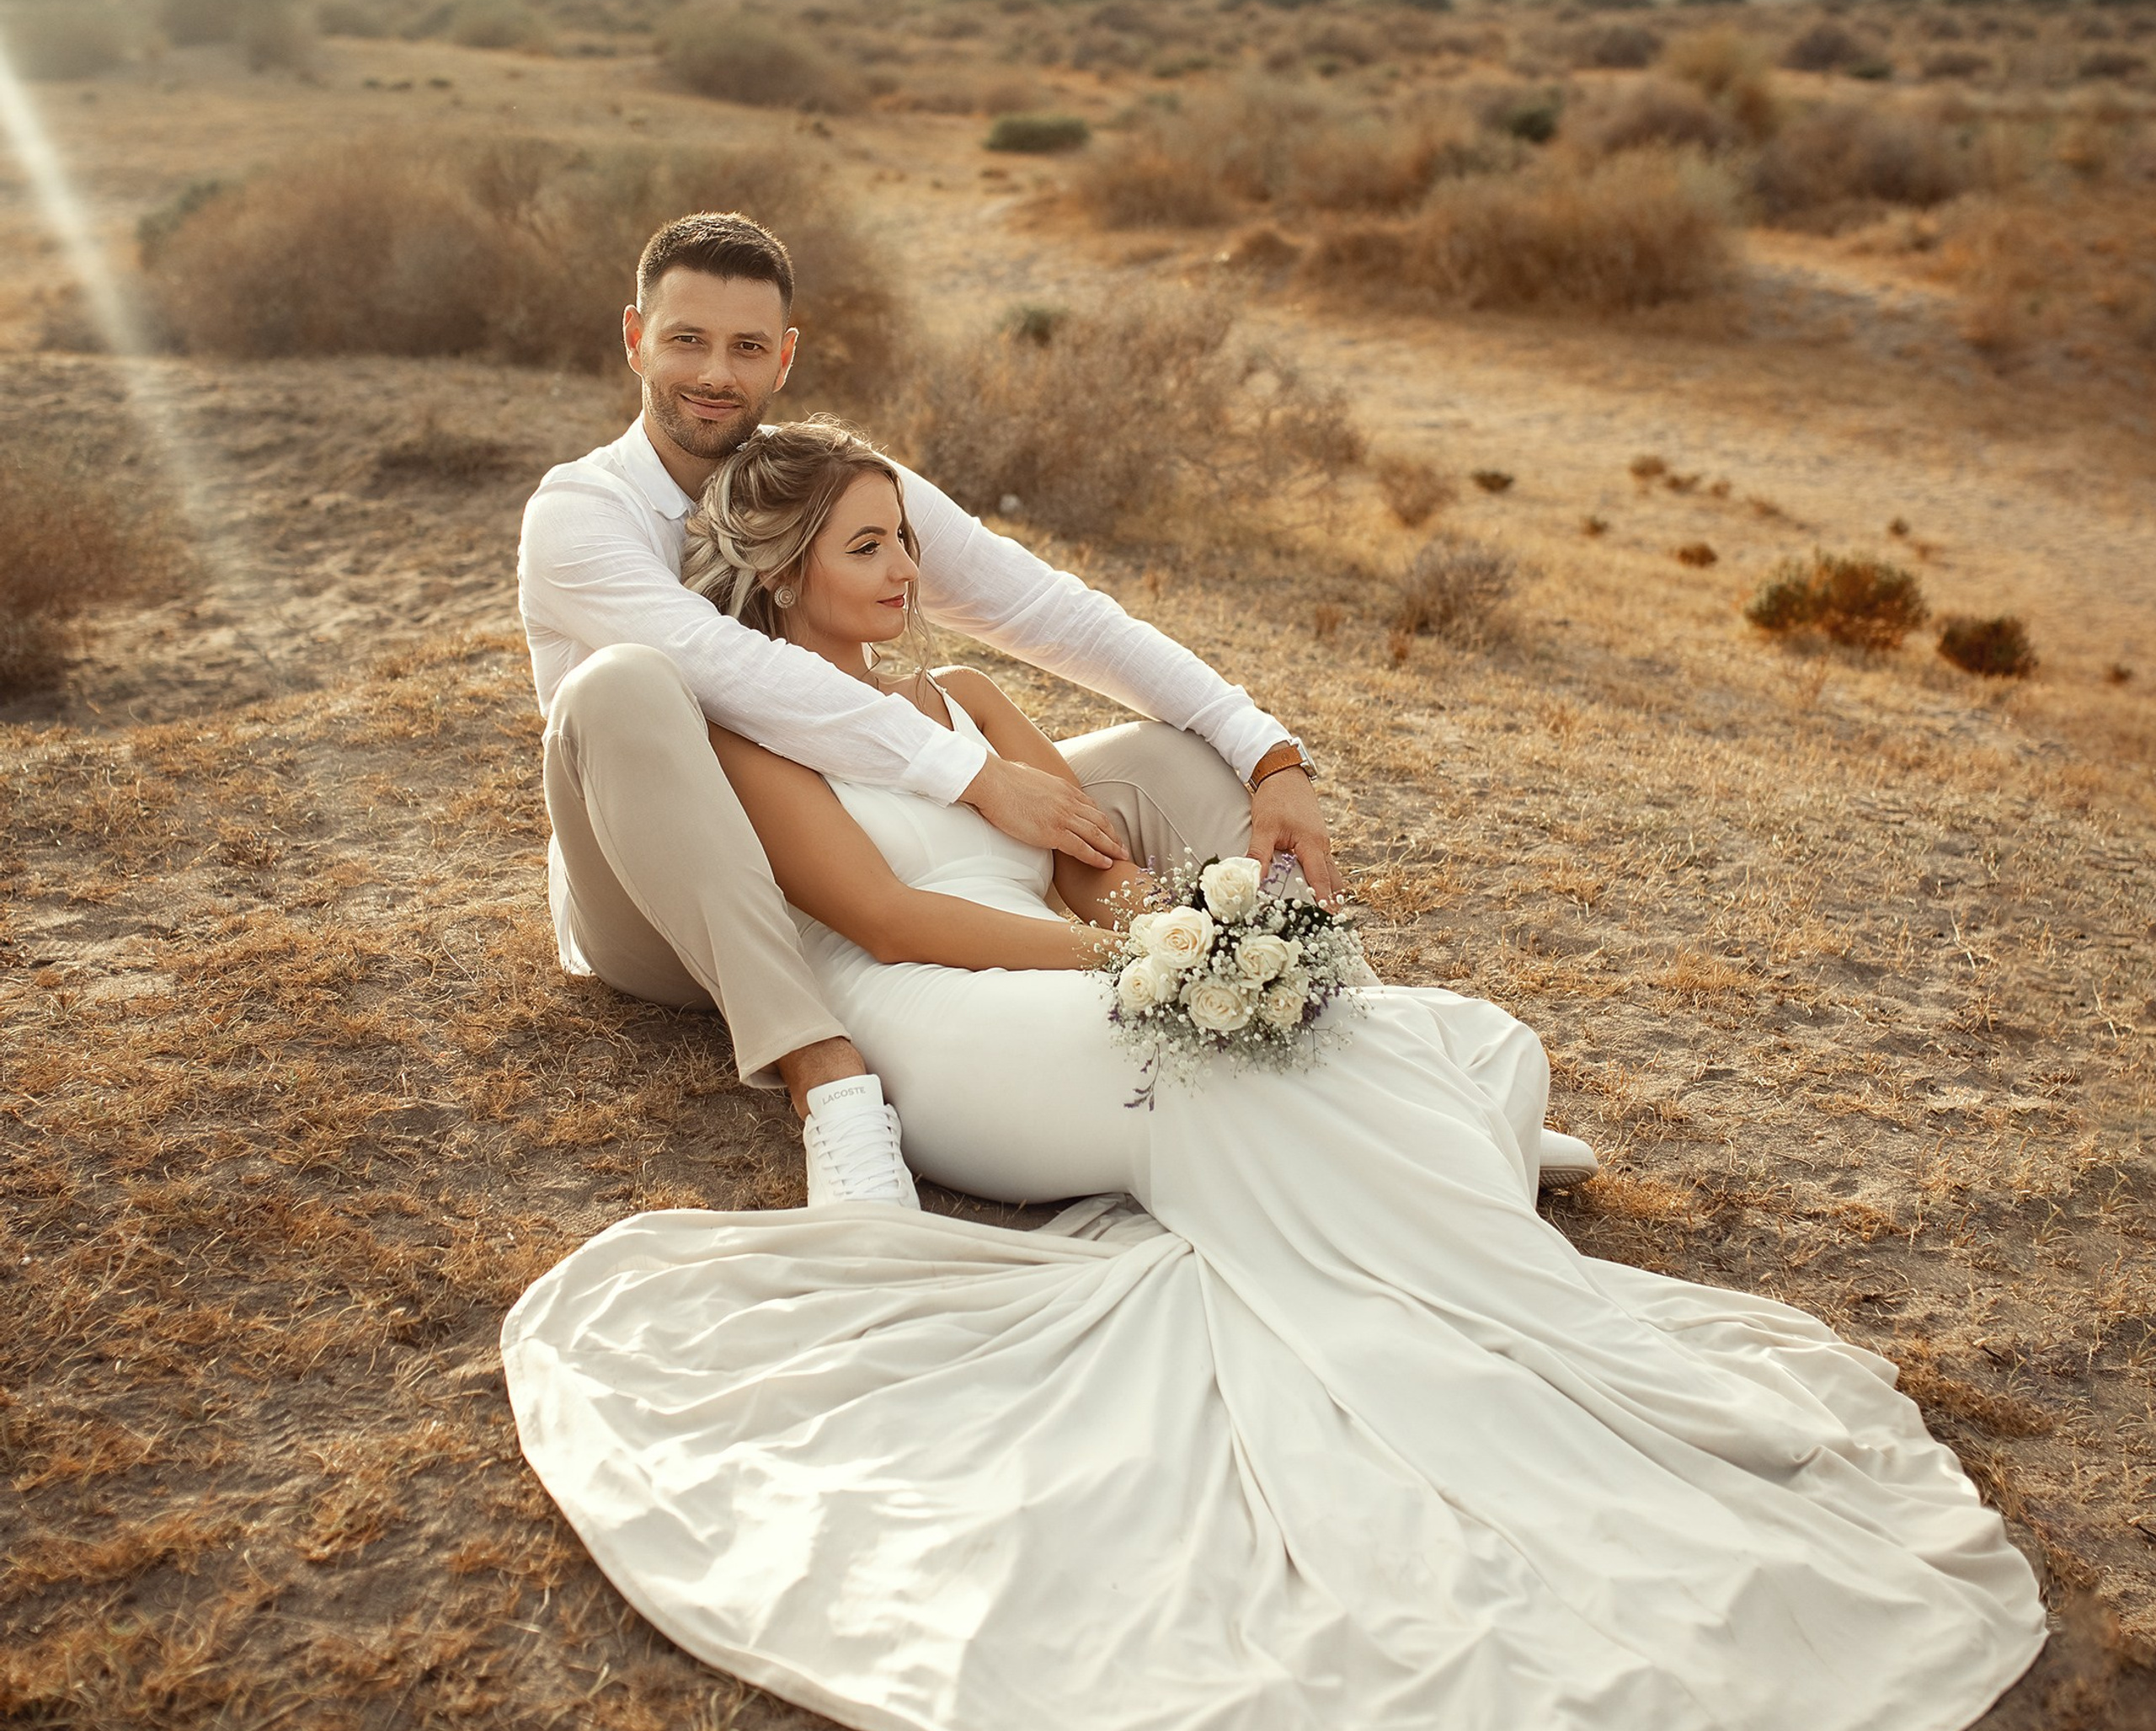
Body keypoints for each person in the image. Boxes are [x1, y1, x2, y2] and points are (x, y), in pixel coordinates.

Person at [500, 418, 2047, 1731]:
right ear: (782, 579)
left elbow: (1084, 875)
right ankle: (1431, 1194)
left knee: (1461, 1031)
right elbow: (889, 912)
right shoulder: (756, 728)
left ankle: (1421, 1160)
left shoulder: (967, 699)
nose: (909, 574)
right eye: (868, 553)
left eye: (906, 542)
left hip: (1049, 963)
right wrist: (1138, 975)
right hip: (924, 1004)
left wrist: (1172, 930)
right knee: (1206, 1062)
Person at [517, 207, 1599, 1204]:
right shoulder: (581, 511)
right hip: (666, 903)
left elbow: (1054, 614)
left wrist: (1268, 753)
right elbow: (736, 673)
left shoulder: (827, 485)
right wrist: (980, 781)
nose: (716, 373)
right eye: (687, 340)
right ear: (634, 338)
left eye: (748, 347)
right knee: (629, 685)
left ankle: (1345, 1041)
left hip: (851, 835)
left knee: (1178, 759)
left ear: (786, 355)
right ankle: (828, 1084)